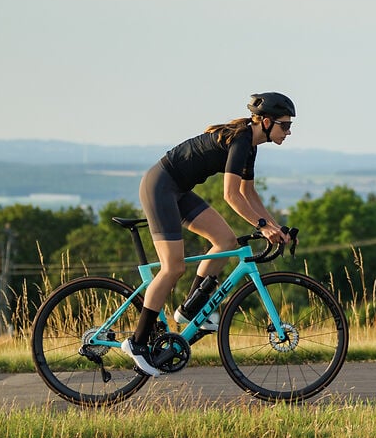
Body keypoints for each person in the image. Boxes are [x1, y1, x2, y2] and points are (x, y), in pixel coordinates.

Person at [124, 92, 295, 376]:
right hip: (160, 187)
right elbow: (231, 195)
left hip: (178, 190)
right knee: (173, 267)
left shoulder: (250, 146)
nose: (288, 132)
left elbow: (249, 193)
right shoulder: (241, 141)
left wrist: (275, 226)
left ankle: (190, 309)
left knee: (226, 241)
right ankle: (137, 342)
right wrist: (262, 225)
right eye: (285, 125)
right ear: (266, 122)